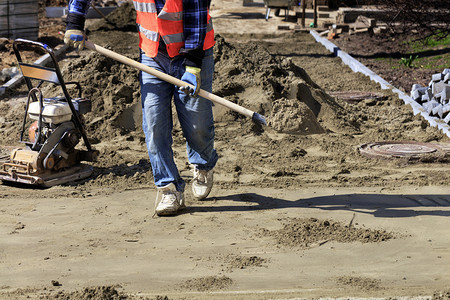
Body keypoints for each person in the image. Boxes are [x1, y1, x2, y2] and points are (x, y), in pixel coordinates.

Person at [64, 0, 218, 216]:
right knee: (154, 124)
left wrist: (193, 64)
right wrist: (75, 21)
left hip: (193, 52)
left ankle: (203, 164)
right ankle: (169, 188)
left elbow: (197, 16)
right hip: (153, 55)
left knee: (197, 125)